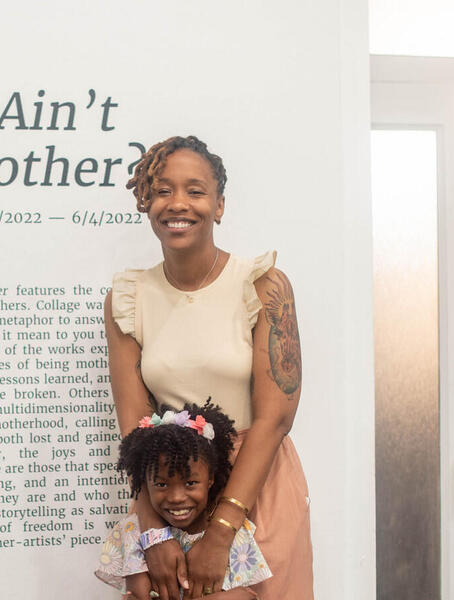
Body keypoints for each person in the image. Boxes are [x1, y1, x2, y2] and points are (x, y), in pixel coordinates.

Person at [104, 135, 313, 599]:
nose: (178, 203)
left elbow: (276, 418)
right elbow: (134, 429)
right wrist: (153, 530)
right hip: (172, 493)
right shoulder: (127, 298)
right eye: (162, 190)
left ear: (219, 205)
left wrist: (222, 530)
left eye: (195, 191)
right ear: (146, 202)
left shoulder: (263, 286)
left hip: (257, 484)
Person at [95, 401, 272, 599]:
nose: (176, 498)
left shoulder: (234, 535)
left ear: (211, 480)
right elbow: (138, 595)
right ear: (145, 483)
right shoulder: (133, 533)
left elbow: (246, 596)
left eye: (190, 483)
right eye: (162, 484)